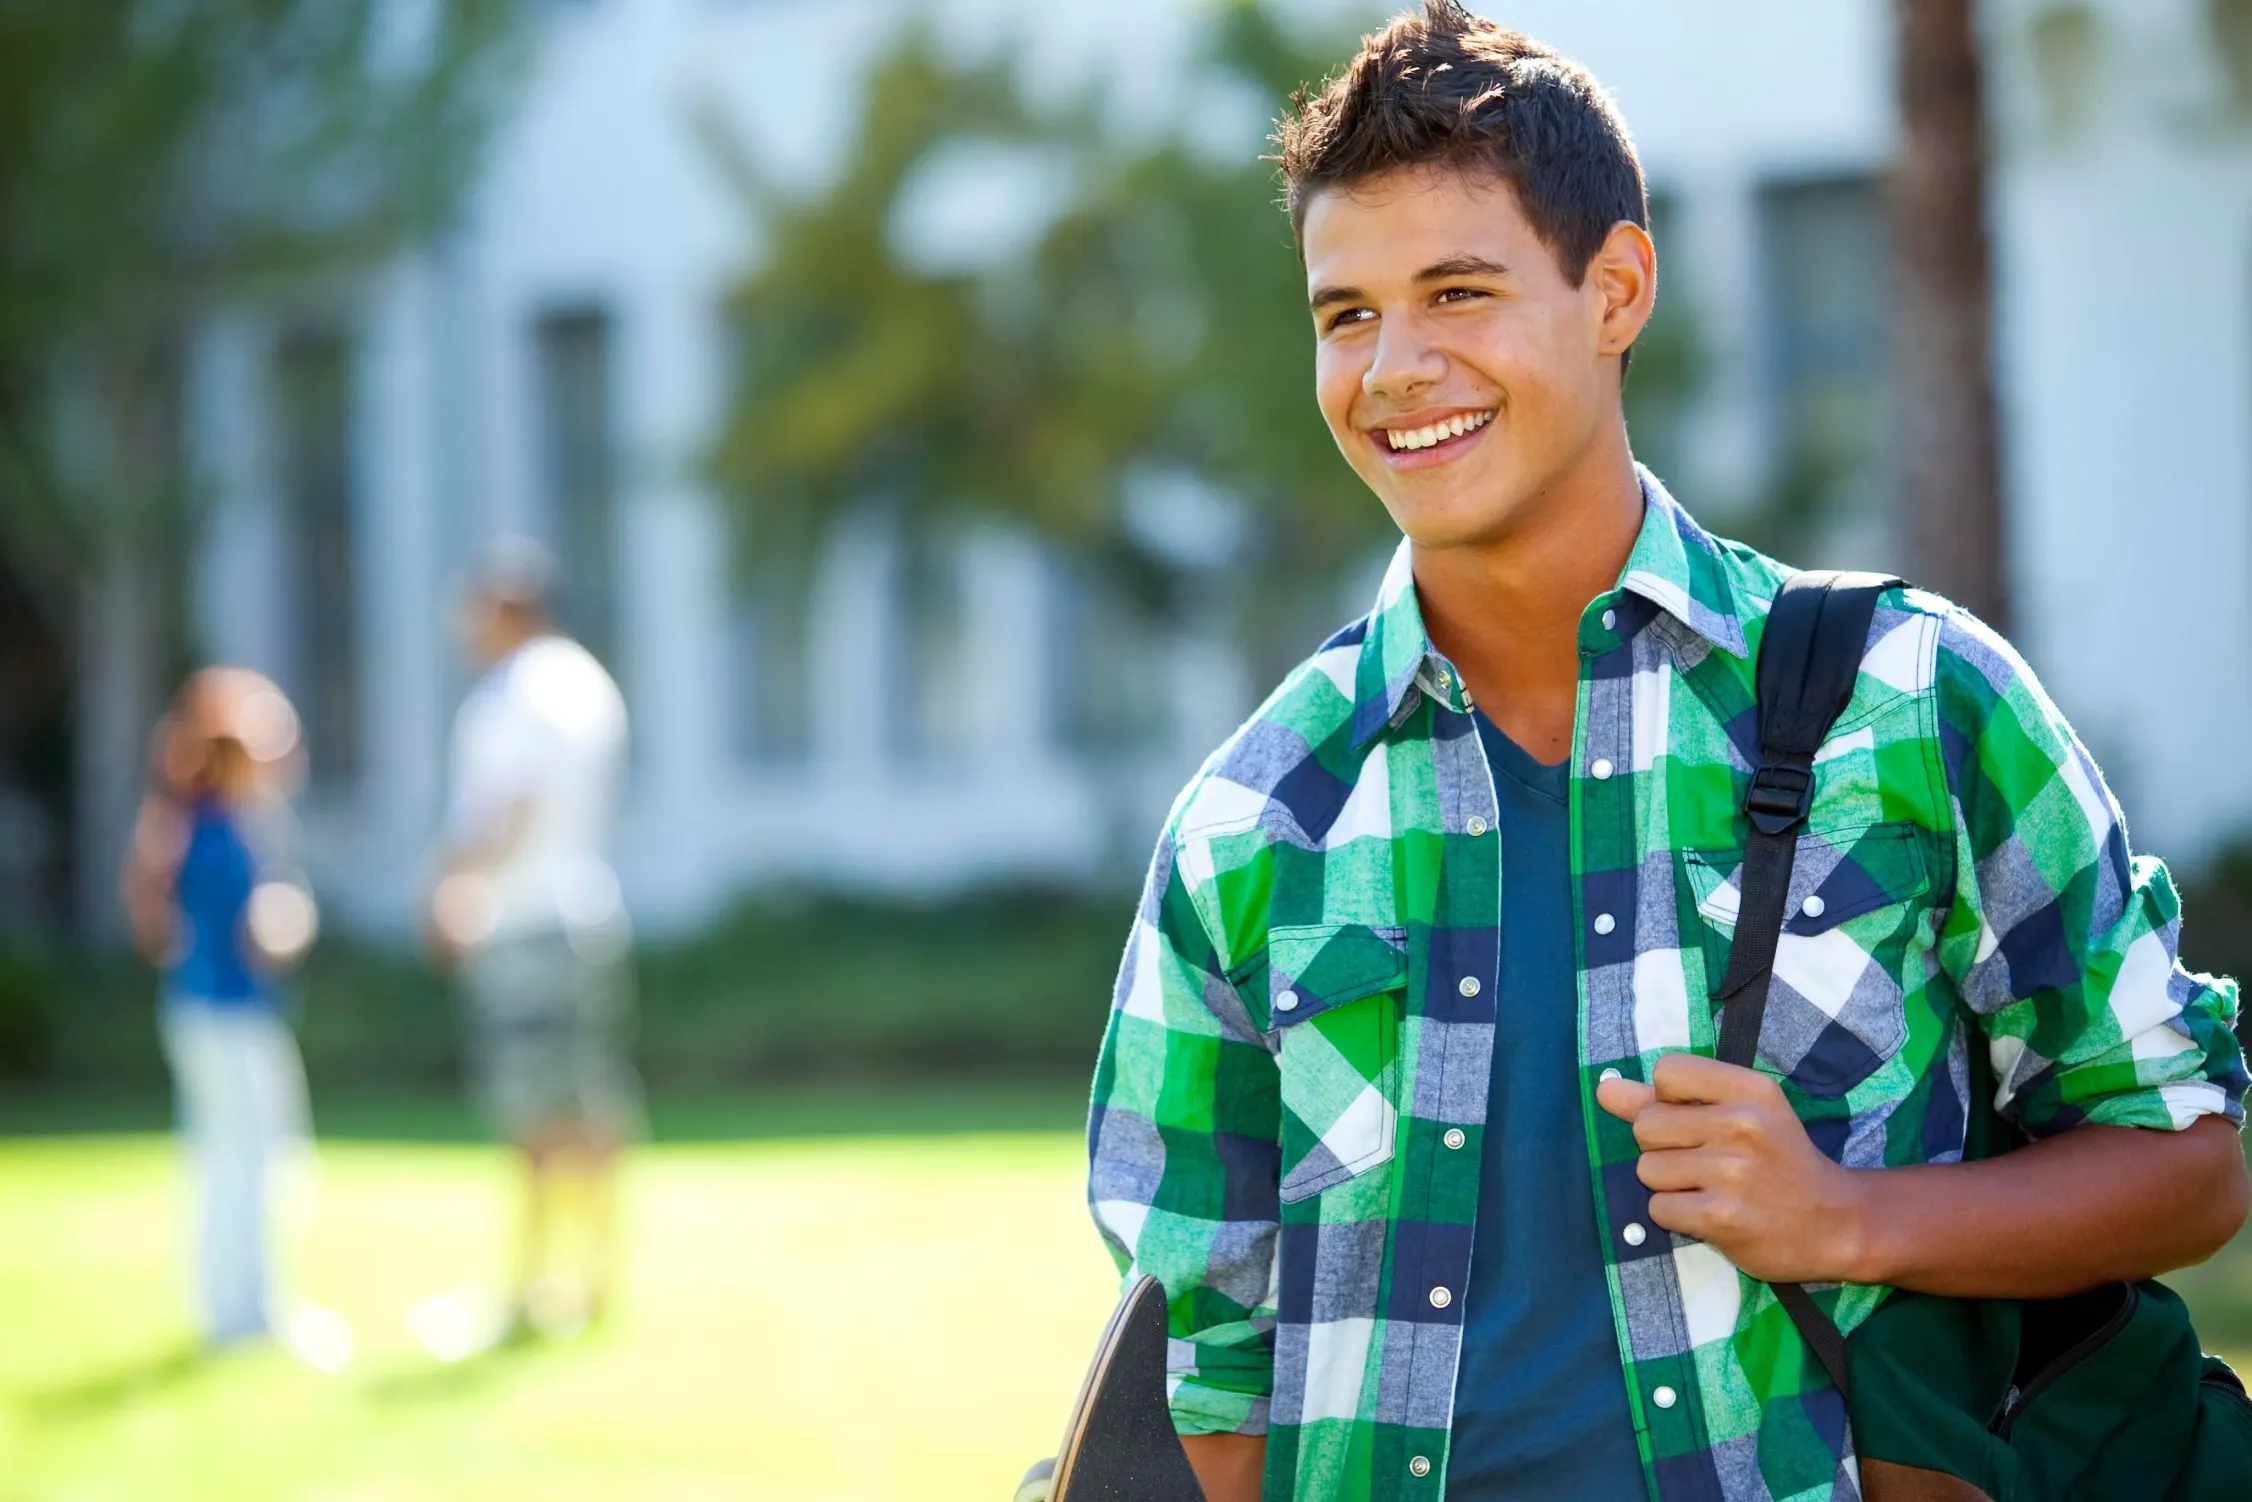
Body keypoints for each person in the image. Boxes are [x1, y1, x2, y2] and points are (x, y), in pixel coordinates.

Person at [1082, 7, 2250, 1500]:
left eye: (1457, 290)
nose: (1394, 367)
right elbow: (1203, 1381)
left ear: (1616, 287)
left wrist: (1848, 1219)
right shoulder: (1250, 822)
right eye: (1347, 312)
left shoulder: (1913, 698)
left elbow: (2188, 1161)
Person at [425, 538, 635, 1341]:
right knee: (591, 1102)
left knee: (534, 1116)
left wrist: (446, 885)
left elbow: (504, 816)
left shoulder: (517, 694)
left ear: (510, 607)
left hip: (524, 926)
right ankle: (597, 1279)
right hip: (583, 915)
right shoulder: (587, 684)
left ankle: (530, 1285)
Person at [122, 668, 321, 1352]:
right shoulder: (210, 830)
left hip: (217, 1012)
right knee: (245, 1164)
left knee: (237, 1161)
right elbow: (248, 931)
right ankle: (244, 1314)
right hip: (224, 1015)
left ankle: (242, 1310)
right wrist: (284, 921)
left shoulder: (209, 823)